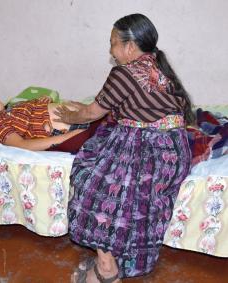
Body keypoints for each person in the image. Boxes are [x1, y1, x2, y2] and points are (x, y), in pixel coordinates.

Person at [53, 13, 193, 282]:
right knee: (135, 203)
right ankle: (122, 261)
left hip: (148, 150)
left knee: (89, 183)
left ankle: (107, 268)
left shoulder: (125, 73)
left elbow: (91, 113)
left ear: (129, 46)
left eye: (113, 43)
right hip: (174, 151)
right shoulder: (159, 69)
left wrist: (69, 116)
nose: (111, 50)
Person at [0, 90, 89, 151]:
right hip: (75, 129)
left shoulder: (12, 108)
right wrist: (71, 135)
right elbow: (23, 145)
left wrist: (45, 101)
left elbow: (32, 113)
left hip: (85, 116)